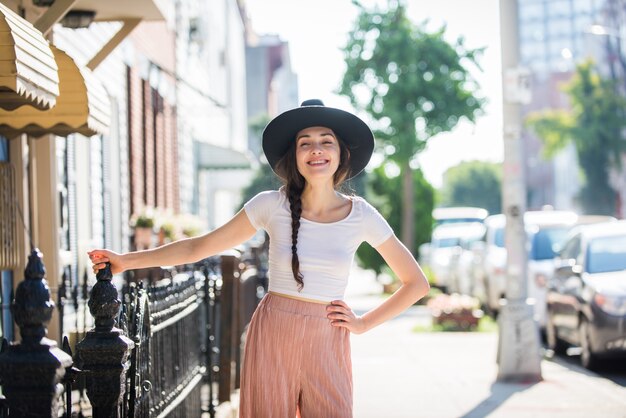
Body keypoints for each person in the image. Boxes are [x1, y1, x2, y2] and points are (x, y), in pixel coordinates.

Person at [89, 99, 430, 418]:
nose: (316, 150)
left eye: (326, 141)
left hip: (328, 336)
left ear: (341, 153)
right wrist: (125, 261)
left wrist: (362, 323)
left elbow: (415, 283)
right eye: (305, 142)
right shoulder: (270, 205)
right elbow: (199, 247)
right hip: (273, 330)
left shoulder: (361, 215)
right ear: (295, 155)